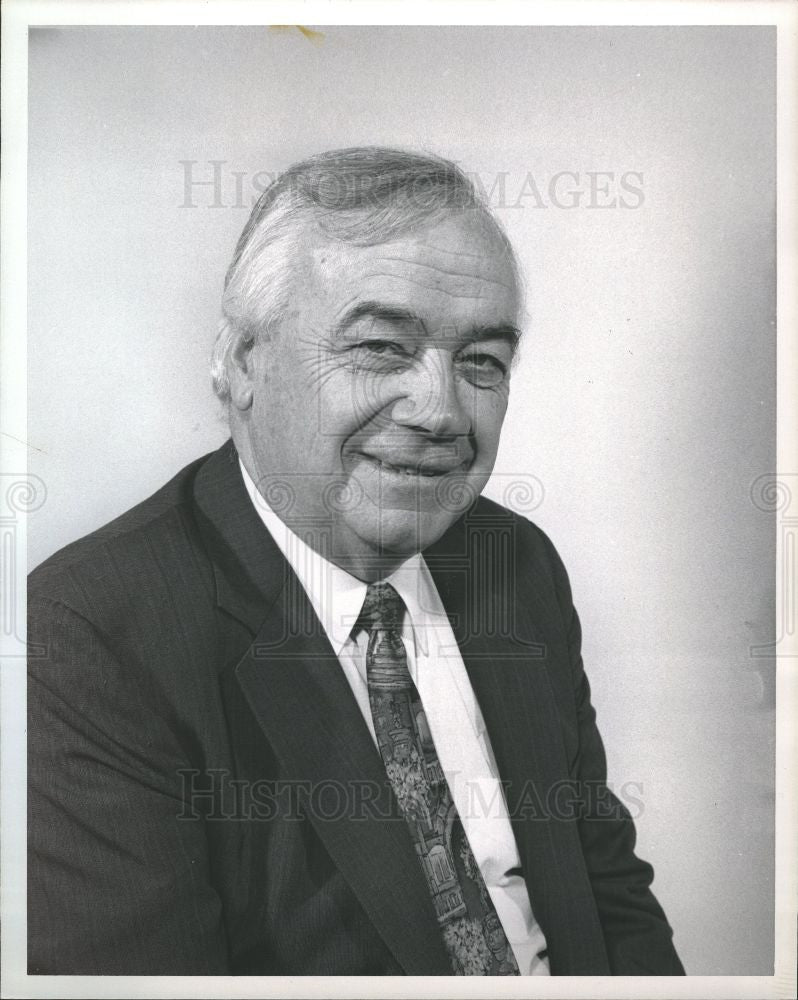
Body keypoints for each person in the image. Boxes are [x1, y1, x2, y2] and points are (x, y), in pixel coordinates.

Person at [28, 146, 684, 976]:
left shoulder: (510, 562)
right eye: (379, 347)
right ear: (240, 364)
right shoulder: (92, 635)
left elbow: (607, 894)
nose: (441, 412)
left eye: (481, 362)